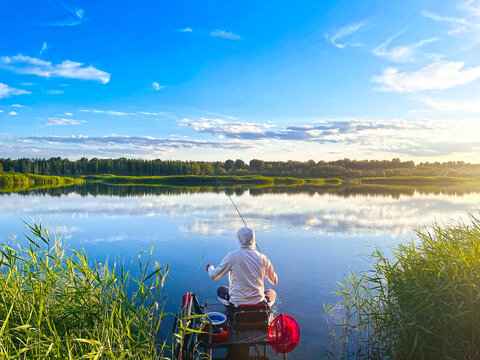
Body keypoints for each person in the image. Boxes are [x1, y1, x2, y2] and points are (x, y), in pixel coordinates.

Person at [205, 226, 278, 308]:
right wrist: (267, 264)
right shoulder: (263, 258)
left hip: (237, 305)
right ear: (253, 239)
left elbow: (214, 276)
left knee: (221, 290)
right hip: (259, 304)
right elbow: (274, 281)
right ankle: (264, 308)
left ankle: (230, 308)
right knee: (272, 292)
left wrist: (210, 268)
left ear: (239, 239)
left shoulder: (232, 257)